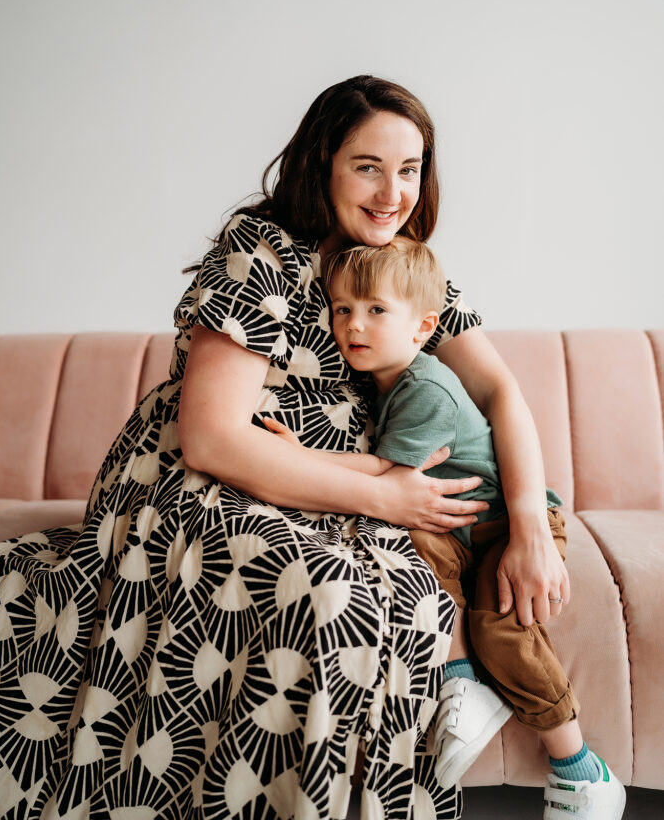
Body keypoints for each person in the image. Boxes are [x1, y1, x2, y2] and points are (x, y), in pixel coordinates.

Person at [0, 75, 562, 820]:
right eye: (368, 166)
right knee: (332, 597)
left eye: (410, 170)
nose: (393, 192)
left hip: (333, 488)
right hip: (209, 481)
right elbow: (212, 438)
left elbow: (501, 394)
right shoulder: (262, 250)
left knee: (412, 599)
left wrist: (529, 531)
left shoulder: (407, 271)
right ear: (323, 162)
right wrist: (384, 494)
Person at [267, 237, 625, 819]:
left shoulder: (426, 388)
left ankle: (583, 770)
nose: (353, 325)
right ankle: (462, 679)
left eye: (376, 310)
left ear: (423, 326)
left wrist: (296, 457)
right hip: (451, 522)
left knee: (502, 630)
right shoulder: (386, 381)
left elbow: (387, 473)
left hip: (502, 523)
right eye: (342, 310)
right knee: (404, 549)